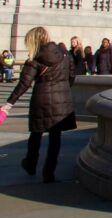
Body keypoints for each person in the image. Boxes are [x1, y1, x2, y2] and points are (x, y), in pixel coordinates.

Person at [1, 26, 77, 183]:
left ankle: (31, 163)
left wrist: (9, 103)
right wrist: (62, 89)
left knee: (36, 133)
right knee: (55, 138)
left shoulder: (35, 59)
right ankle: (49, 172)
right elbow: (72, 76)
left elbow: (24, 84)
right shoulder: (64, 54)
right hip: (61, 101)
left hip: (41, 100)